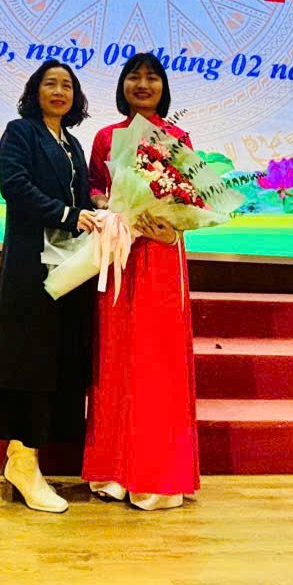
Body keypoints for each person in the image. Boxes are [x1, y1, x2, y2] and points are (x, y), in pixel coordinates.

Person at [81, 52, 199, 510]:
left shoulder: (177, 138)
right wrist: (109, 206)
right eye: (134, 76)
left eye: (152, 77)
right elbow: (94, 186)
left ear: (163, 88)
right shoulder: (106, 137)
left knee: (157, 358)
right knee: (116, 355)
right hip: (118, 254)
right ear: (123, 86)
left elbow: (192, 197)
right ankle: (113, 472)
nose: (143, 84)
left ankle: (157, 476)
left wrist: (170, 223)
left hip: (162, 253)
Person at [0, 59, 98, 513]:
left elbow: (83, 200)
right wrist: (68, 215)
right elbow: (14, 186)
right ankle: (22, 460)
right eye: (50, 83)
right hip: (30, 268)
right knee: (29, 361)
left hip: (69, 269)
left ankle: (27, 458)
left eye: (67, 85)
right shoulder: (21, 133)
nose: (59, 91)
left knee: (58, 361)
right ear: (35, 91)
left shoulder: (73, 144)